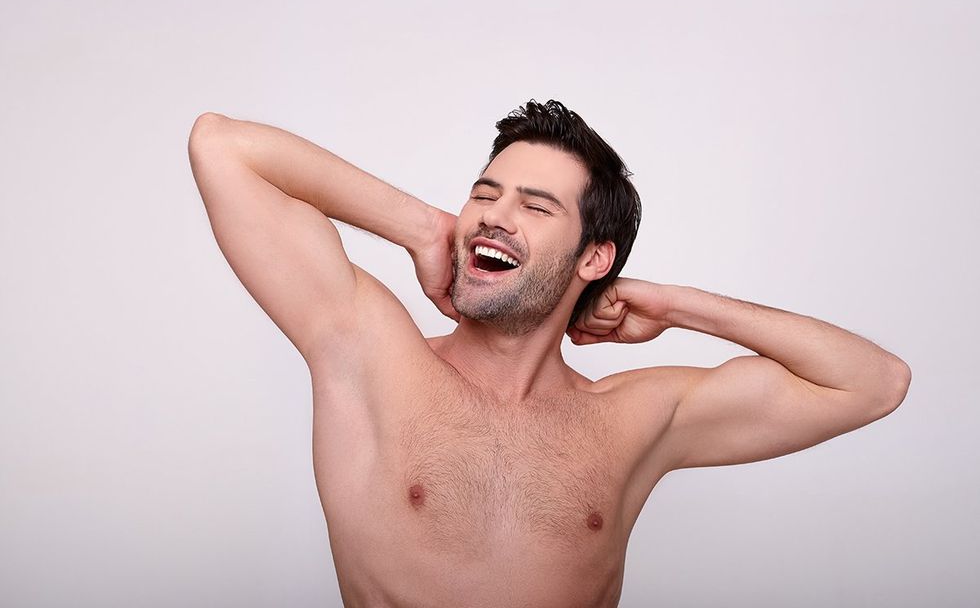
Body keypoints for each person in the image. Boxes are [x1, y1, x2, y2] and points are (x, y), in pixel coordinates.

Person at [187, 99, 911, 607]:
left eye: (535, 207)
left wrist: (675, 305)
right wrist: (421, 226)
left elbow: (872, 383)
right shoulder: (367, 350)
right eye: (484, 194)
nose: (495, 216)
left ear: (595, 259)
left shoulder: (637, 419)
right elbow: (221, 147)